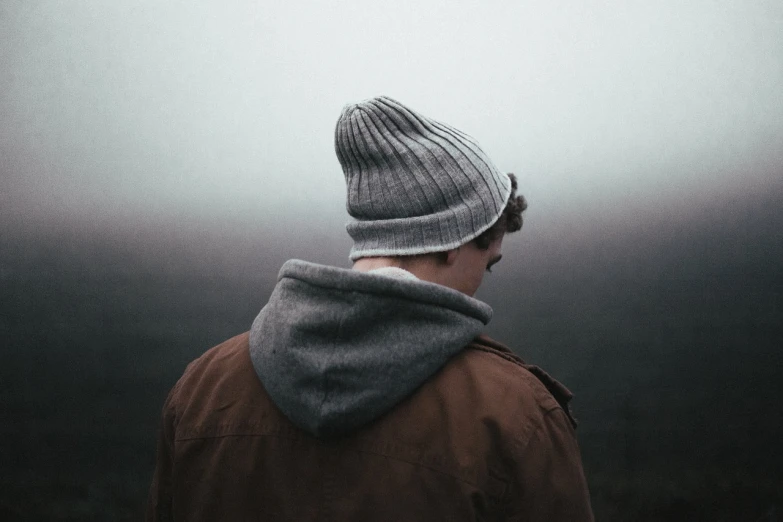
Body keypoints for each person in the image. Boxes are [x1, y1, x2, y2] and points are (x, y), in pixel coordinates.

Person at [147, 95, 594, 521]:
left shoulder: (201, 392)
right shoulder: (517, 417)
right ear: (453, 242)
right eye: (488, 265)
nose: (481, 287)